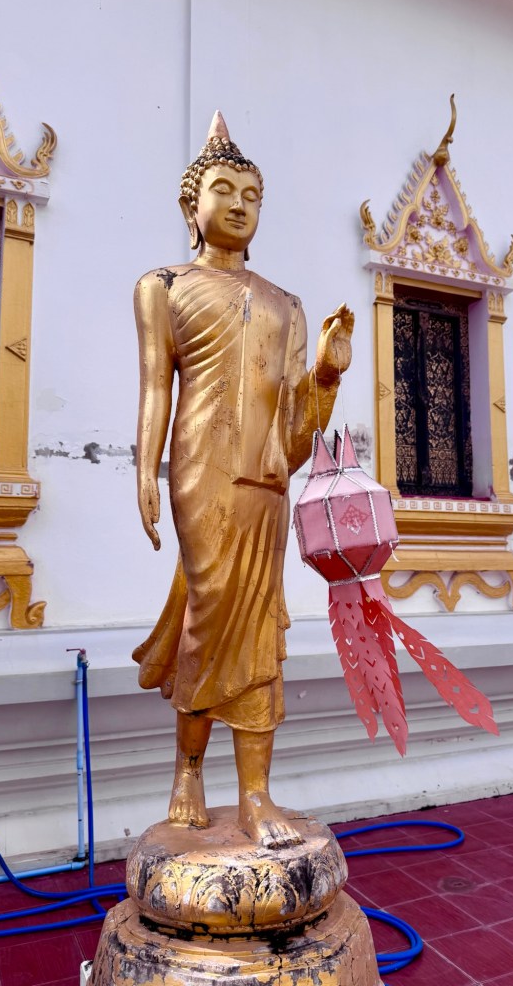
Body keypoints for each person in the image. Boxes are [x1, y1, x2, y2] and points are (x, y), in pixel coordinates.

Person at [133, 112, 353, 848]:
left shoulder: (287, 305)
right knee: (210, 612)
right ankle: (188, 773)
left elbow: (294, 431)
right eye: (222, 190)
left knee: (259, 629)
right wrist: (145, 469)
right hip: (201, 473)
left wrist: (327, 374)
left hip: (265, 481)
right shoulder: (163, 287)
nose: (237, 204)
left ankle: (256, 795)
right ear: (189, 205)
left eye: (251, 195)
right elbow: (155, 388)